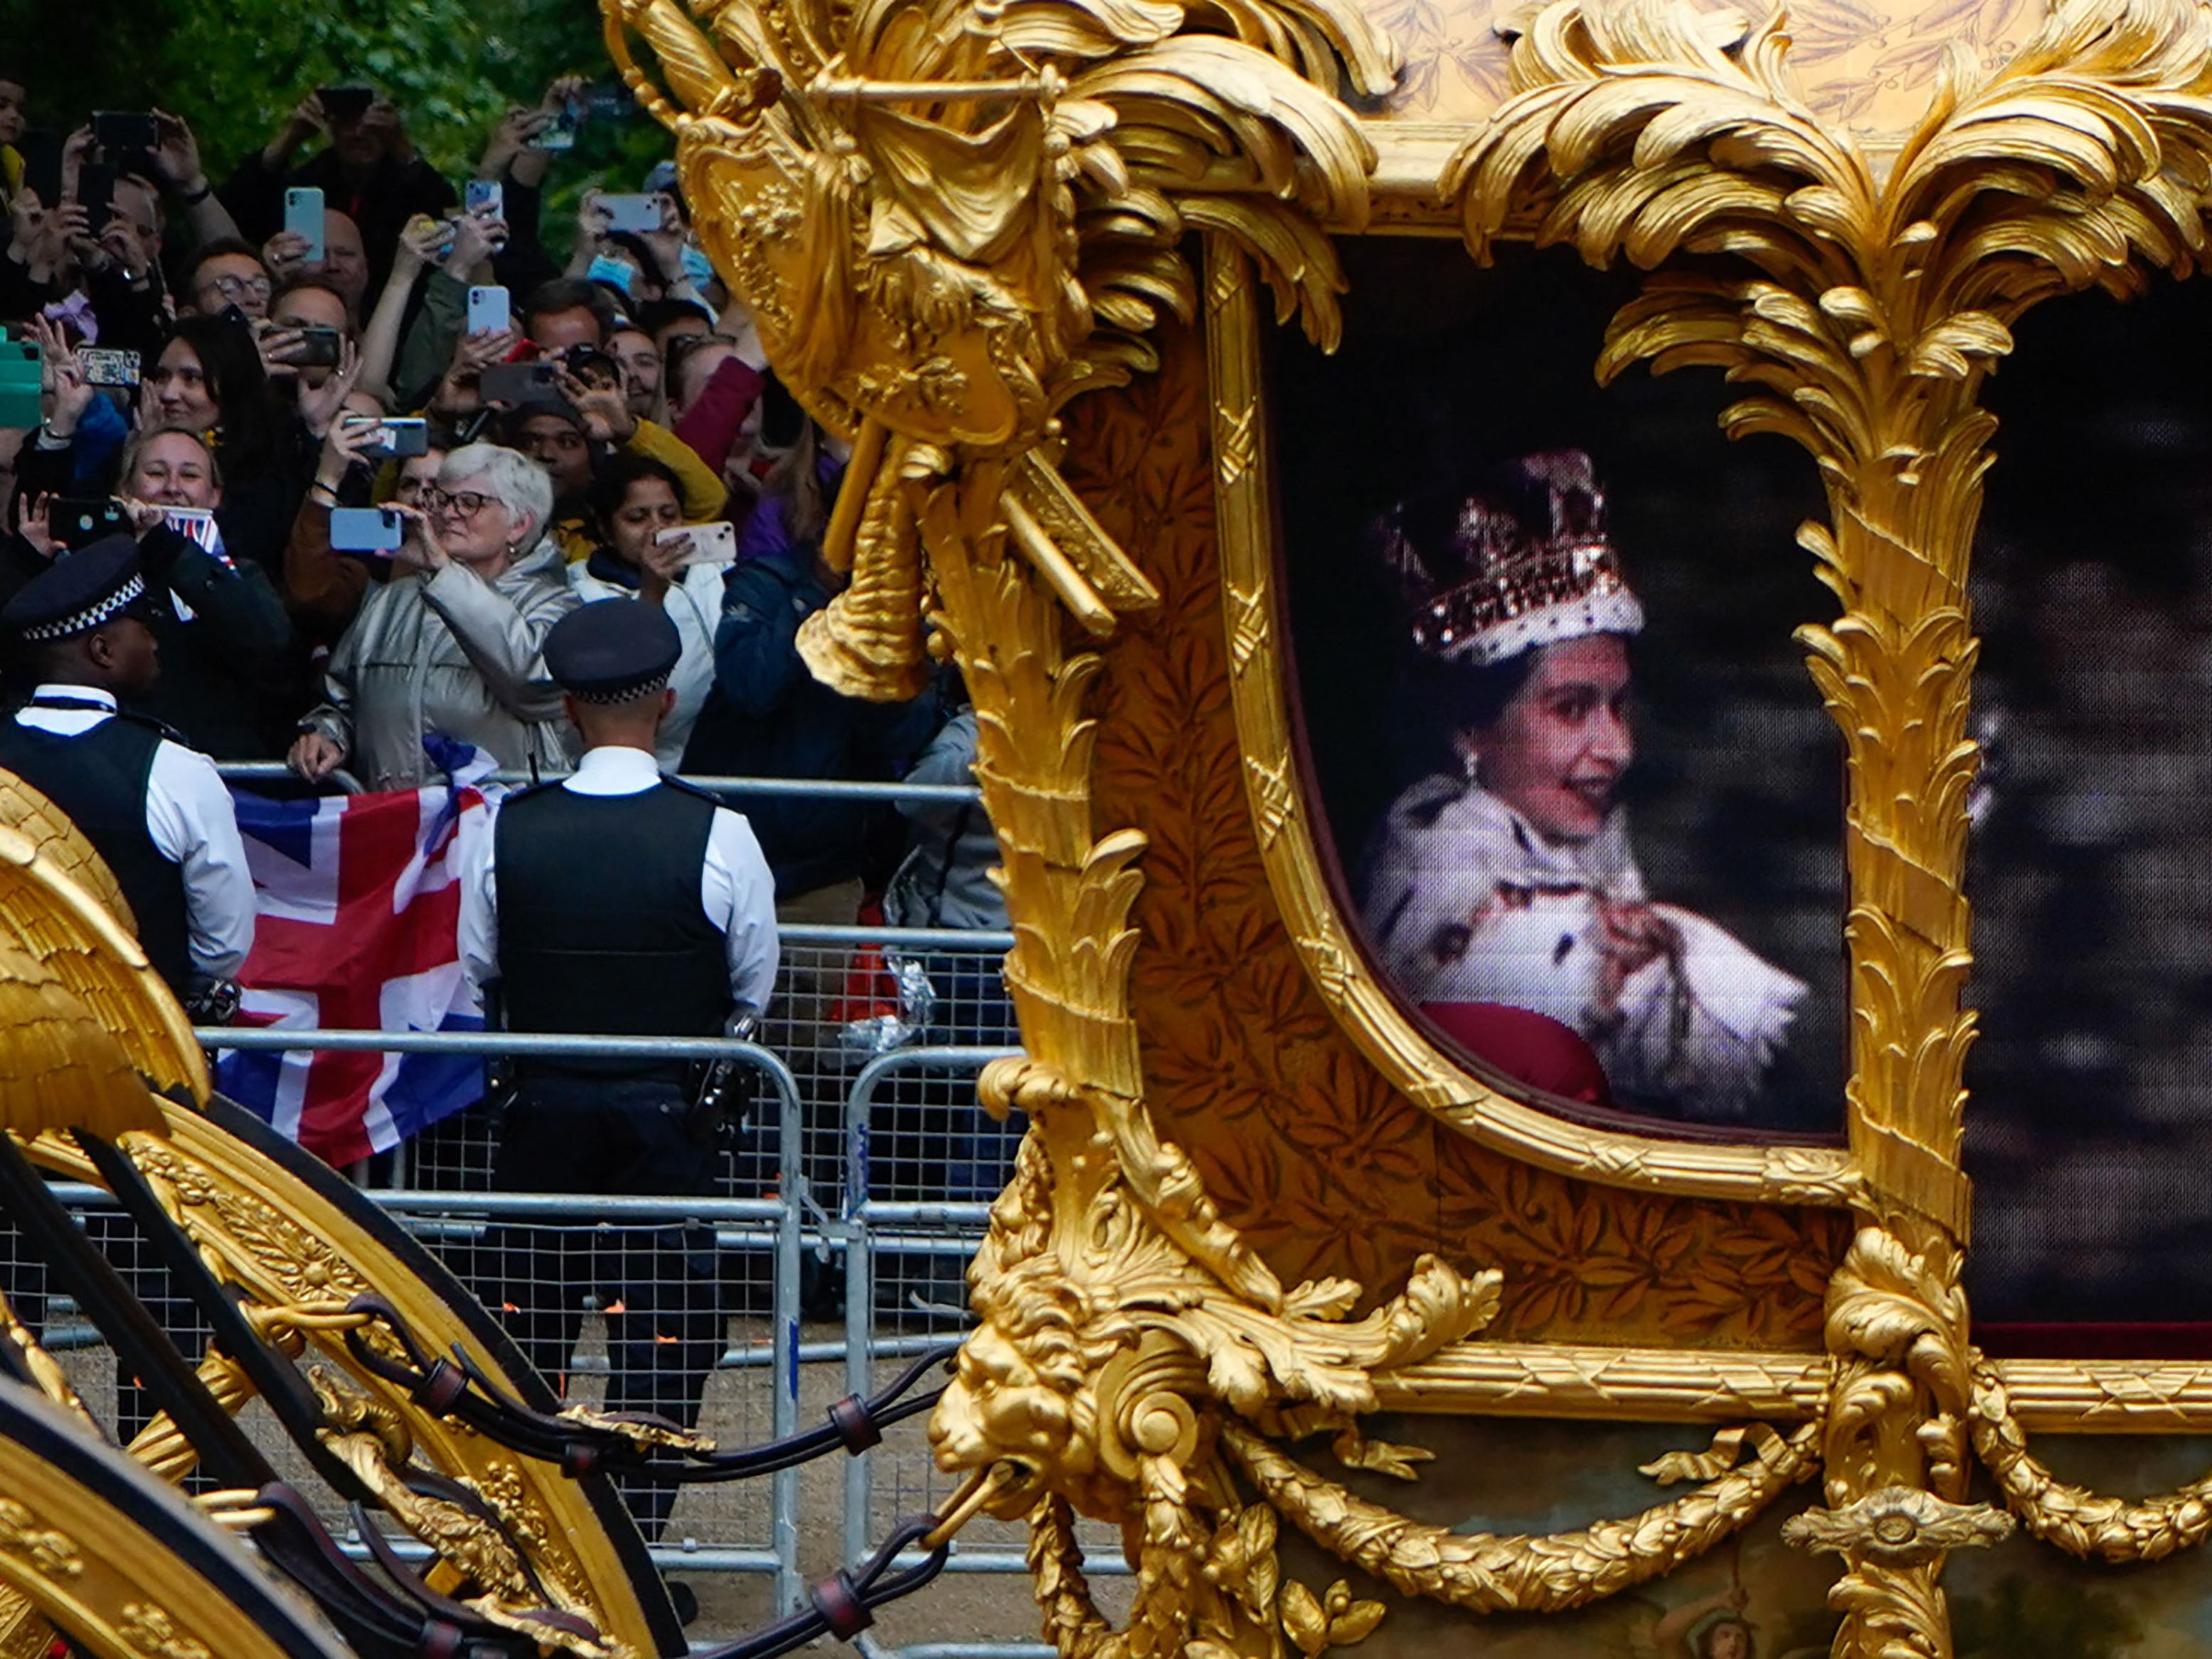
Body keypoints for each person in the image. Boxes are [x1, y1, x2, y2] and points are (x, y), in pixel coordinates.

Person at [1356, 450, 1806, 1124]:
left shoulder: (1589, 874)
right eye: (1570, 709)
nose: (1616, 749)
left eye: (1619, 707)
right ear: (1471, 730)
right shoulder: (1433, 874)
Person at [459, 597, 776, 1537]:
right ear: (667, 702)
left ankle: (540, 1531)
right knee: (665, 1331)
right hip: (670, 1115)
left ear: (566, 710)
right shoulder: (718, 831)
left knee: (527, 1319)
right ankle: (631, 1540)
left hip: (542, 1106)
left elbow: (481, 964)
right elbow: (750, 986)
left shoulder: (506, 827)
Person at [0, 535, 253, 1004]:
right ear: (103, 650)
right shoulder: (177, 770)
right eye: (143, 624)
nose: (156, 642)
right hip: (143, 1053)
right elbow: (223, 949)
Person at [289, 442, 577, 789]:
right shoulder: (391, 601)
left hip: (500, 828)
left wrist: (444, 573)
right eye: (443, 500)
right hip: (398, 825)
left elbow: (532, 685)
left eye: (470, 503)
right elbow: (342, 700)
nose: (449, 514)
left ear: (518, 525)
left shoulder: (554, 605)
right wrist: (328, 735)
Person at [569, 454, 725, 766]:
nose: (657, 530)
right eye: (637, 518)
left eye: (669, 515)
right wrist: (652, 593)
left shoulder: (718, 571)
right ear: (605, 528)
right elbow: (622, 685)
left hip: (720, 756)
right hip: (637, 763)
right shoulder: (577, 590)